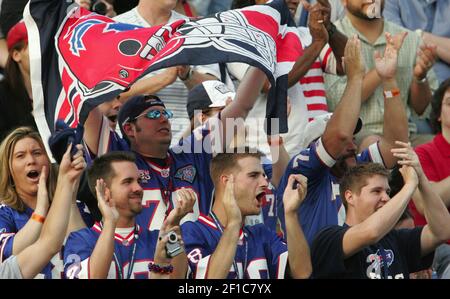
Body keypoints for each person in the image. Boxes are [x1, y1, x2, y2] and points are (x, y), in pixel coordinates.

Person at [83, 66, 267, 235]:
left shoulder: (191, 152)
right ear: (130, 129)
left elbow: (242, 105)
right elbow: (87, 104)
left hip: (195, 260)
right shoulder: (116, 157)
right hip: (137, 259)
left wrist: (260, 61)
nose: (164, 119)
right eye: (154, 115)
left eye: (166, 114)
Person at [277, 33, 409, 244]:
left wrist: (389, 81)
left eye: (354, 136)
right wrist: (355, 77)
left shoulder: (359, 169)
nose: (352, 143)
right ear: (315, 145)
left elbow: (396, 146)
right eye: (347, 137)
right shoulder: (302, 173)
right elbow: (339, 136)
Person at [311, 141, 450, 279]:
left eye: (387, 192)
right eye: (376, 191)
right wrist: (410, 185)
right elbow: (371, 232)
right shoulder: (328, 239)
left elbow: (443, 231)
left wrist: (421, 179)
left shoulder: (398, 239)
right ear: (350, 197)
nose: (386, 198)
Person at [228, 0, 348, 158]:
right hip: (267, 154)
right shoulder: (239, 40)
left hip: (316, 151)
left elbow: (347, 62)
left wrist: (328, 27)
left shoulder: (306, 34)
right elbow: (268, 84)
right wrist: (318, 43)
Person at [182, 148, 312, 278]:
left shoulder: (262, 234)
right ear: (227, 182)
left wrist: (290, 213)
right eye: (253, 175)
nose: (265, 183)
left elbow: (302, 273)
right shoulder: (192, 231)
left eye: (264, 176)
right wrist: (233, 223)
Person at [325, 0, 439, 148]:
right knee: (375, 146)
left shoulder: (409, 39)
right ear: (343, 1)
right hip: (353, 139)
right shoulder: (332, 40)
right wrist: (382, 70)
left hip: (406, 137)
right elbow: (334, 102)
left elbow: (423, 109)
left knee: (441, 149)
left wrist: (420, 77)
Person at [64, 151, 195, 279]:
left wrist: (172, 227)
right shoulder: (80, 240)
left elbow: (179, 277)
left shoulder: (157, 238)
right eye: (128, 182)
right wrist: (110, 221)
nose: (138, 188)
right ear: (104, 191)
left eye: (139, 181)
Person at [112, 0, 223, 143]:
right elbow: (109, 98)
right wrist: (163, 79)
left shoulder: (195, 28)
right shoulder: (114, 28)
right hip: (131, 144)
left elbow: (217, 94)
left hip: (187, 145)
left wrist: (187, 74)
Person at [0, 127, 91, 278]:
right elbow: (8, 255)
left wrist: (70, 198)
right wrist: (40, 211)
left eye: (37, 153)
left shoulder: (77, 205)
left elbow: (86, 255)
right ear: (9, 169)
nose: (31, 161)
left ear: (49, 162)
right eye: (20, 156)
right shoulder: (4, 212)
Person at [409, 78, 450, 279]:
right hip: (438, 249)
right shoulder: (422, 153)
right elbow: (425, 204)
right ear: (439, 114)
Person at [383, 0, 450, 84]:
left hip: (445, 86)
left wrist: (422, 36)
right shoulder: (389, 2)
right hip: (406, 83)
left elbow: (407, 40)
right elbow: (398, 45)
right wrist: (442, 47)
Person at [0, 21, 36, 140]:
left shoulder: (59, 88)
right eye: (35, 47)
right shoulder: (3, 94)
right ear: (16, 55)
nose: (43, 52)